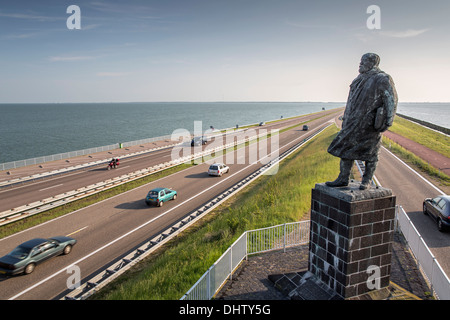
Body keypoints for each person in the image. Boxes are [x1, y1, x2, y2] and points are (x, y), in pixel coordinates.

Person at [326, 53, 398, 190]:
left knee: (370, 153)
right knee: (345, 149)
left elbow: (391, 100)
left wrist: (388, 121)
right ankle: (343, 177)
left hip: (369, 124)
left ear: (373, 63)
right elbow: (350, 100)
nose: (360, 64)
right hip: (352, 122)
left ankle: (367, 180)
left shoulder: (382, 78)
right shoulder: (358, 79)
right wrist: (346, 116)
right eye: (360, 61)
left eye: (363, 61)